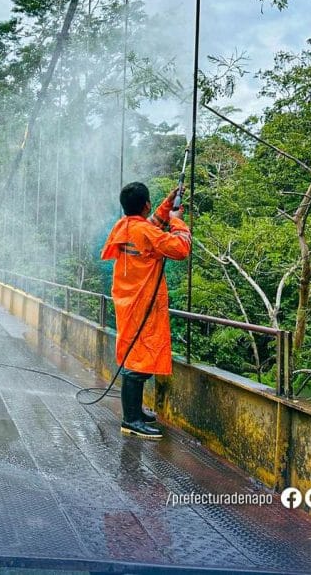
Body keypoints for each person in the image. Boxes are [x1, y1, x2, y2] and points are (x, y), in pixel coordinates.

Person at [100, 182, 191, 440]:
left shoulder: (126, 225)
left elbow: (150, 224)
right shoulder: (145, 232)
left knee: (135, 354)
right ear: (146, 203)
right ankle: (130, 420)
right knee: (139, 359)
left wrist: (167, 205)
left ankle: (135, 412)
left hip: (128, 301)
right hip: (143, 303)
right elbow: (180, 248)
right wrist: (177, 222)